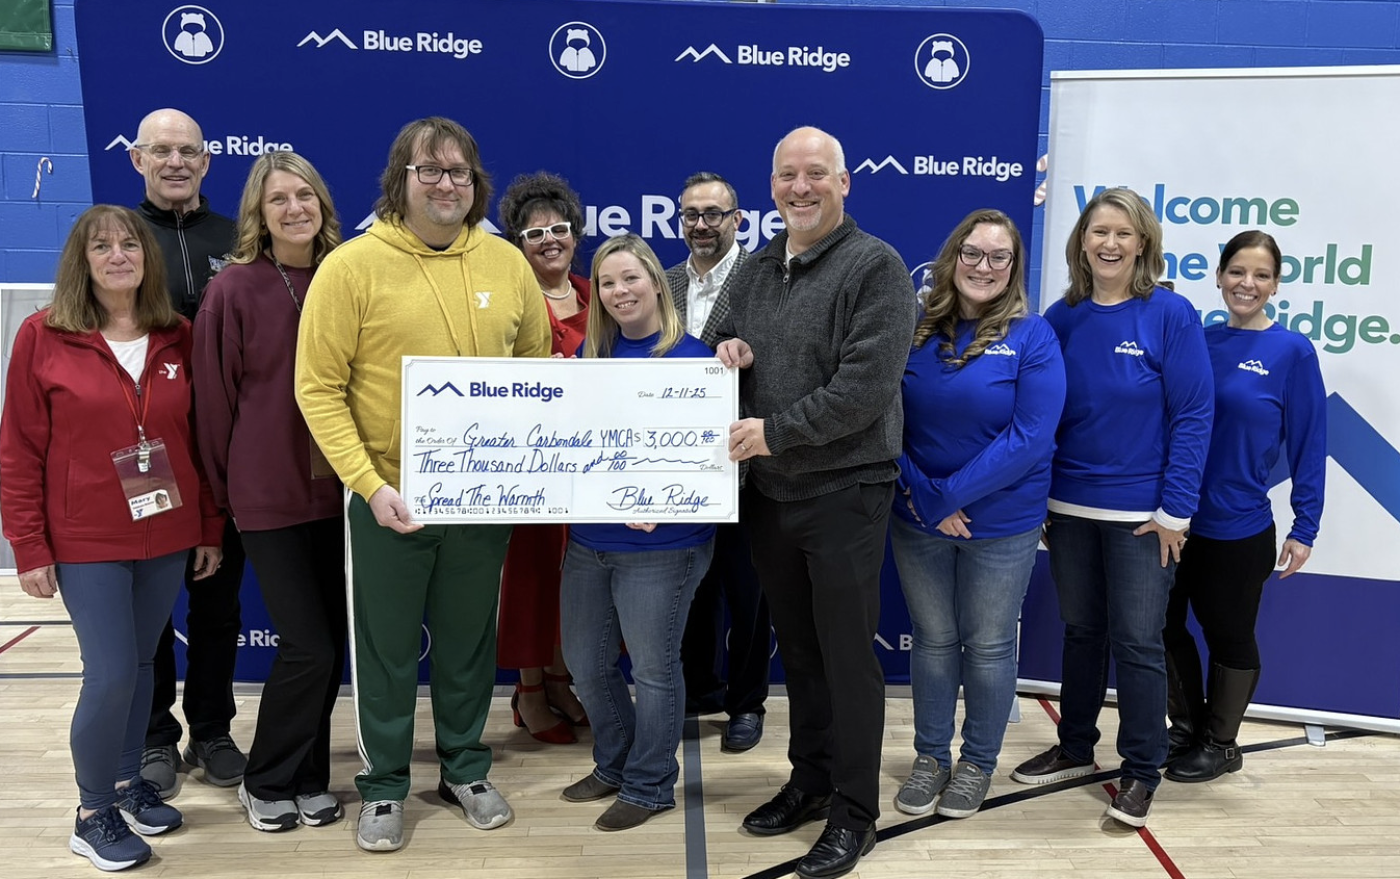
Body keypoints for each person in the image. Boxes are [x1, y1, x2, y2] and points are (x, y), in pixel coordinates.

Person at [295, 117, 551, 853]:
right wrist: (370, 485)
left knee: (470, 642)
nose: (446, 184)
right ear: (399, 179)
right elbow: (317, 388)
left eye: (460, 172)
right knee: (385, 649)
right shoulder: (351, 266)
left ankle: (466, 768)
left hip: (481, 498)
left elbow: (536, 365)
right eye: (429, 171)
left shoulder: (506, 265)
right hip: (389, 497)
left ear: (477, 184)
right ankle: (382, 786)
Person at [715, 127, 915, 879]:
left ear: (844, 182)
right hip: (772, 494)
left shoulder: (877, 266)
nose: (800, 188)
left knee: (846, 657)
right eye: (787, 176)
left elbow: (862, 392)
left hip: (845, 493)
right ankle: (810, 779)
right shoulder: (760, 262)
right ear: (771, 187)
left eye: (816, 175)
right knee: (797, 652)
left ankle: (855, 811)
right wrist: (727, 351)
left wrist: (773, 434)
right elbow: (718, 335)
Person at [1, 205, 224, 871]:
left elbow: (199, 440)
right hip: (86, 536)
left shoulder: (177, 334)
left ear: (147, 257)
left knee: (144, 666)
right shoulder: (43, 335)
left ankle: (128, 784)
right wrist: (28, 546)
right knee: (109, 673)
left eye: (130, 243)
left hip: (169, 529)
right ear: (83, 259)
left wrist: (209, 526)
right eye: (103, 245)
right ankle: (91, 810)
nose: (119, 254)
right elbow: (18, 450)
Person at [1010, 188, 1214, 829]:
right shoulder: (1061, 317)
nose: (1110, 244)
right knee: (1081, 632)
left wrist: (1175, 513)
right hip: (1067, 508)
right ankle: (1075, 746)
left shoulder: (1169, 314)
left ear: (1144, 243)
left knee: (1137, 642)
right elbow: (1040, 416)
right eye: (1099, 231)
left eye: (1124, 233)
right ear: (1081, 242)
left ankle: (1141, 769)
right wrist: (1039, 498)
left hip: (1142, 517)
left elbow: (1194, 415)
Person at [890, 210, 1065, 820]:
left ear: (1014, 267)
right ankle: (931, 756)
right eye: (971, 253)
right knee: (935, 642)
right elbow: (886, 419)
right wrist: (922, 494)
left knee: (989, 647)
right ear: (951, 257)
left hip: (1001, 524)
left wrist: (950, 496)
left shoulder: (1034, 334)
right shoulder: (913, 326)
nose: (983, 267)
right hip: (917, 516)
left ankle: (977, 763)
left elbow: (1032, 436)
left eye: (998, 257)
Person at [193, 152, 348, 832]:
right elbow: (215, 402)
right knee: (307, 644)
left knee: (332, 645)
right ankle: (266, 777)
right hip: (267, 493)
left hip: (343, 490)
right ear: (259, 211)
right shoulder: (235, 288)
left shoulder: (345, 275)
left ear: (322, 202)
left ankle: (310, 774)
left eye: (305, 194)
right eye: (279, 198)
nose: (294, 208)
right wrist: (224, 495)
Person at [557, 233, 717, 832]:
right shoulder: (585, 363)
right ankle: (615, 762)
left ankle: (651, 784)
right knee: (585, 665)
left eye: (630, 278)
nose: (620, 291)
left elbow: (718, 461)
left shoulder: (697, 359)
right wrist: (549, 398)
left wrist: (671, 503)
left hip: (664, 547)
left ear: (656, 281)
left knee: (653, 669)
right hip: (589, 541)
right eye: (606, 282)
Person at [1163, 231, 1326, 783]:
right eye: (1237, 271)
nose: (1247, 284)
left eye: (1260, 275)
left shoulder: (1292, 352)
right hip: (1173, 521)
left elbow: (1309, 443)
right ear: (1218, 276)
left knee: (1229, 635)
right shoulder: (1197, 340)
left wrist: (1307, 525)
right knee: (1161, 626)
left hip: (1238, 528)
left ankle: (1221, 743)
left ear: (1276, 284)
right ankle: (1184, 728)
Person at [130, 107, 247, 796]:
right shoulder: (117, 237)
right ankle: (152, 738)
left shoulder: (237, 238)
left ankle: (212, 729)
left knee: (218, 604)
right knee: (150, 606)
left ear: (207, 161)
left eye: (189, 152)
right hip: (144, 456)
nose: (176, 162)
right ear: (137, 159)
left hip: (222, 458)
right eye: (161, 150)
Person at [665, 172, 770, 753]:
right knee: (692, 587)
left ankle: (747, 703)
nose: (701, 225)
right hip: (681, 467)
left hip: (749, 463)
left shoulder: (765, 279)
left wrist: (752, 354)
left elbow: (781, 358)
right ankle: (700, 687)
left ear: (737, 219)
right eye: (691, 215)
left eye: (713, 214)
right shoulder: (665, 282)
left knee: (748, 592)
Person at [494, 171, 591, 745]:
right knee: (532, 575)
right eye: (535, 234)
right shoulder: (509, 299)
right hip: (526, 464)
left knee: (574, 578)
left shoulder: (595, 291)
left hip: (584, 464)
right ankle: (529, 688)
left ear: (576, 234)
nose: (550, 239)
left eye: (559, 228)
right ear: (518, 243)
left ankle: (559, 676)